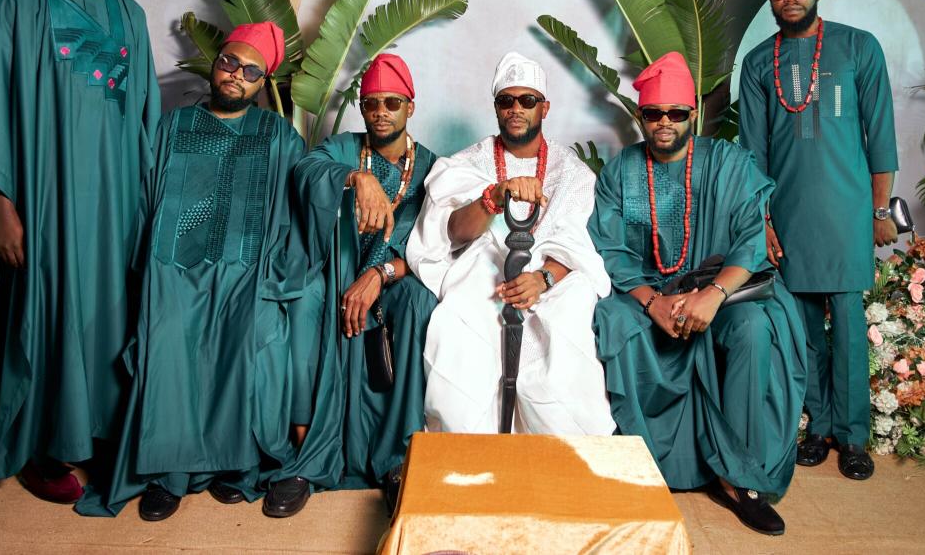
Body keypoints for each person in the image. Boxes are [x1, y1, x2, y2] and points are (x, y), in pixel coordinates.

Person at [0, 0, 159, 503]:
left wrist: (147, 210)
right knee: (46, 309)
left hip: (113, 204)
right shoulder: (19, 4)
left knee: (109, 314)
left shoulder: (130, 15)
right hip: (43, 199)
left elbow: (145, 121)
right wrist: (1, 207)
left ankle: (100, 433)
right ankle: (44, 446)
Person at [74, 22, 311, 521]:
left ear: (262, 82)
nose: (236, 75)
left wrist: (273, 275)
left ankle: (233, 467)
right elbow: (139, 197)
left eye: (251, 71)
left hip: (245, 271)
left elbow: (300, 205)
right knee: (166, 347)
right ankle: (169, 476)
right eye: (230, 62)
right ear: (215, 61)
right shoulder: (173, 126)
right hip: (172, 269)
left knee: (246, 346)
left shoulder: (277, 135)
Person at [589, 52, 807, 536]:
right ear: (641, 116)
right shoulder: (621, 171)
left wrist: (713, 294)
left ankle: (740, 478)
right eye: (653, 113)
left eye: (675, 112)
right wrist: (653, 302)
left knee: (753, 328)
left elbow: (751, 239)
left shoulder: (728, 163)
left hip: (723, 289)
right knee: (615, 321)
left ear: (693, 113)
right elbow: (611, 249)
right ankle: (642, 463)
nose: (664, 122)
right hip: (651, 291)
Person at [738, 0, 899, 482]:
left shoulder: (859, 48)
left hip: (848, 212)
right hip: (788, 216)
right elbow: (753, 154)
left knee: (848, 326)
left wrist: (880, 212)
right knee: (803, 327)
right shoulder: (758, 63)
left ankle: (854, 437)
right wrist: (762, 222)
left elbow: (881, 136)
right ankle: (820, 427)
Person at [407, 51, 614, 435]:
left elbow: (575, 244)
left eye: (527, 100)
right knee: (459, 328)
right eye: (506, 100)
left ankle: (561, 456)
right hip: (484, 276)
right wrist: (494, 196)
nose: (516, 109)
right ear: (496, 108)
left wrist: (542, 280)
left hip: (551, 282)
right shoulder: (468, 162)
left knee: (567, 325)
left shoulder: (572, 173)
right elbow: (451, 233)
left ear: (544, 108)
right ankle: (469, 452)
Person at [271, 54, 438, 517]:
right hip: (338, 274)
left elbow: (435, 241)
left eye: (392, 103)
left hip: (395, 279)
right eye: (371, 104)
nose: (381, 112)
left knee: (421, 303)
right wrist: (355, 178)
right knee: (307, 302)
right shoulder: (346, 149)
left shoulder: (432, 167)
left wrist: (382, 273)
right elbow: (305, 171)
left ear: (410, 107)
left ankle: (397, 458)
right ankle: (308, 454)